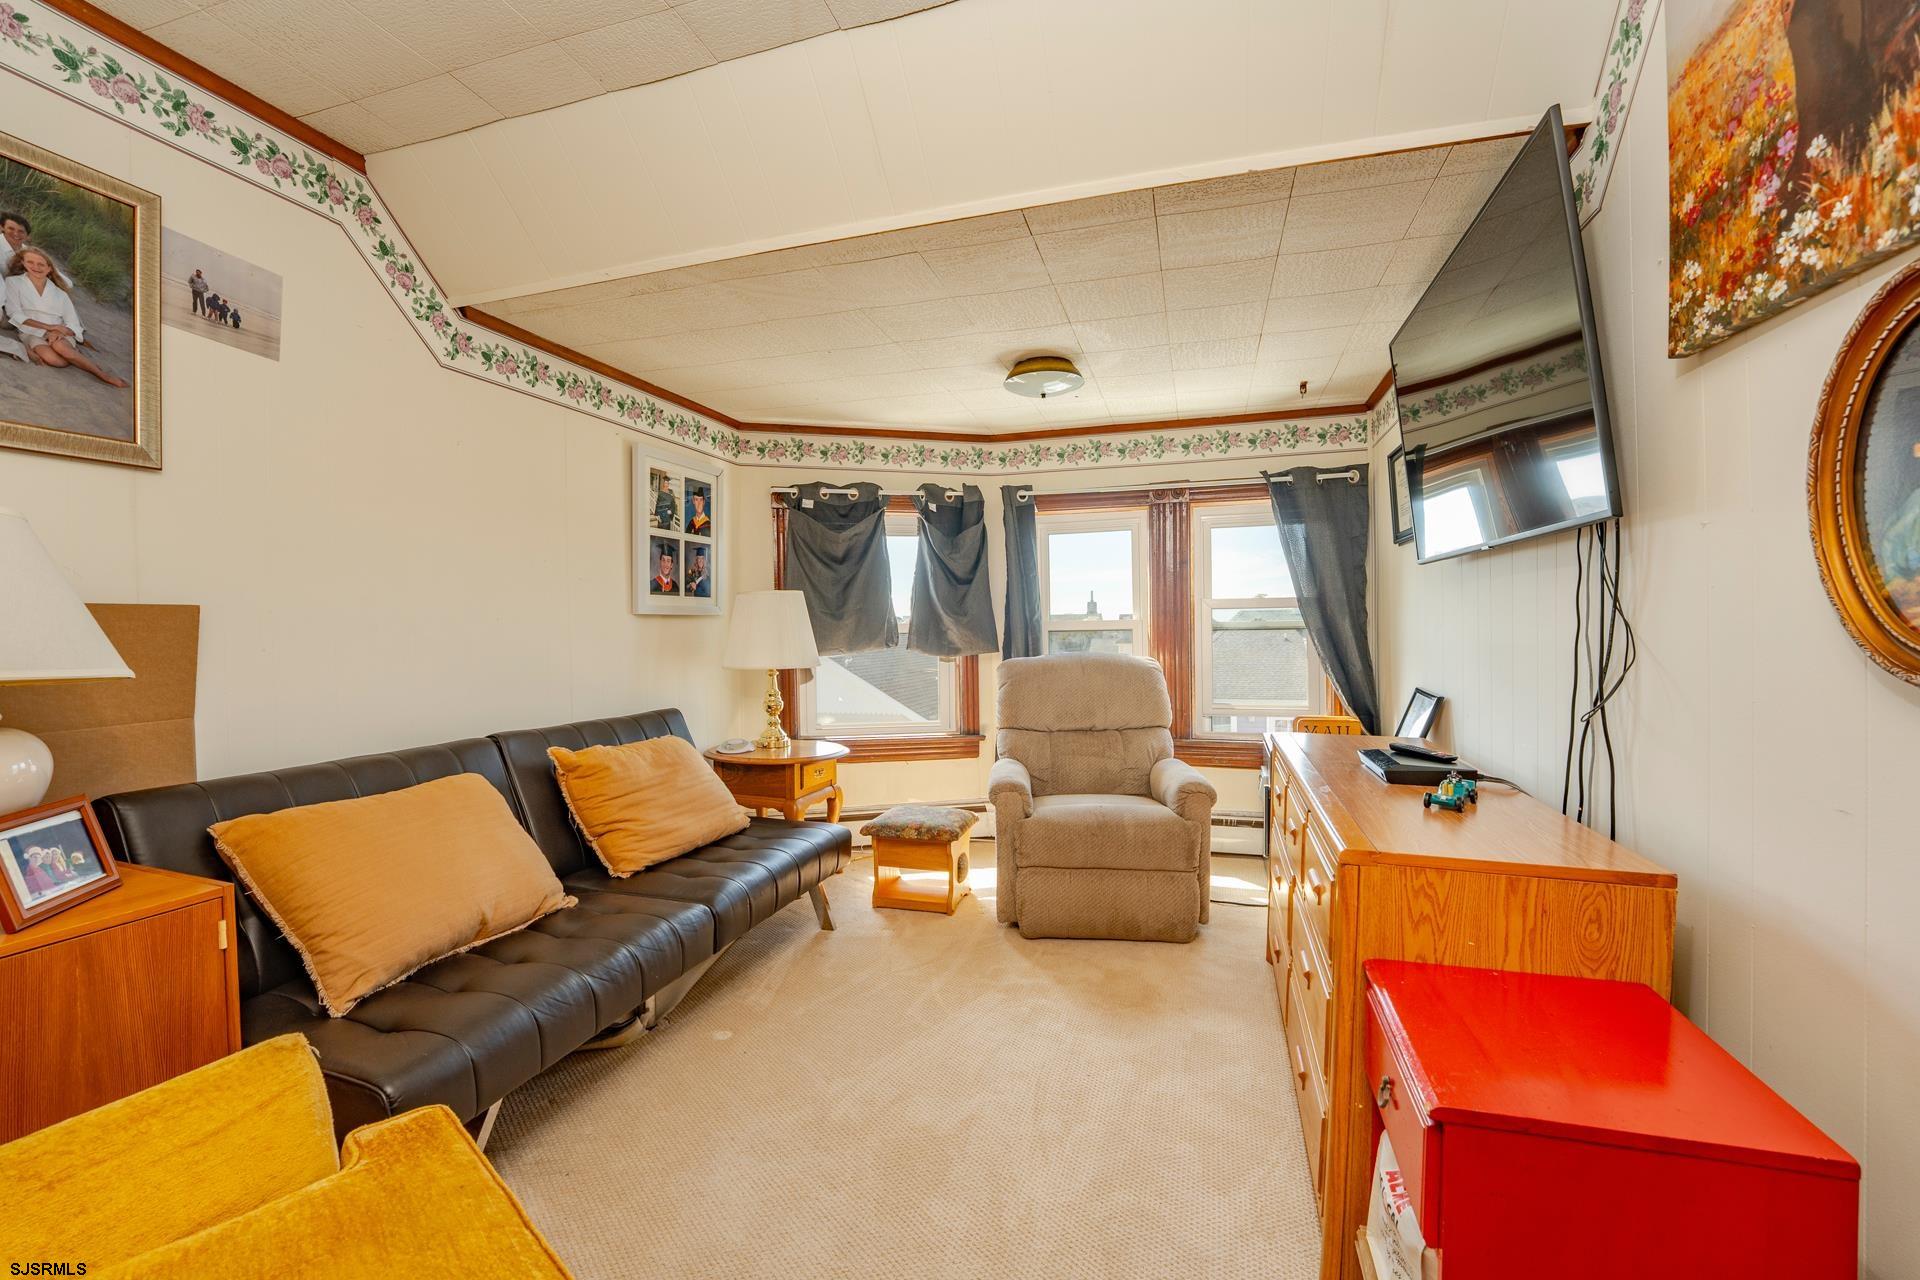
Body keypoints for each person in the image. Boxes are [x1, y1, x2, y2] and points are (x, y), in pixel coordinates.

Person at [2, 246, 127, 387]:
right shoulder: (13, 282)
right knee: (57, 361)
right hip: (30, 331)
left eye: (41, 264)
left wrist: (57, 331)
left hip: (59, 333)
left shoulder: (60, 293)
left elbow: (73, 322)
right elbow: (14, 314)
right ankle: (69, 353)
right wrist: (48, 328)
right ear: (23, 263)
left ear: (49, 269)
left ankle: (102, 375)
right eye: (30, 262)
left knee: (60, 347)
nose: (35, 267)